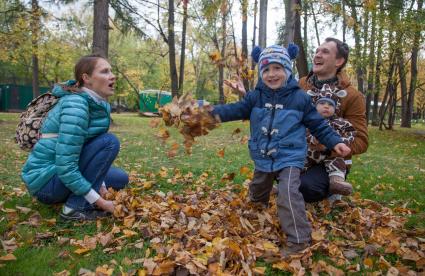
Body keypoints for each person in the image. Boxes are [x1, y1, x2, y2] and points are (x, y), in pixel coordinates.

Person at [207, 45, 351, 256]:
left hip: (290, 156)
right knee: (259, 185)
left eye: (277, 68)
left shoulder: (299, 98)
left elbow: (318, 124)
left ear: (288, 70)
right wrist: (207, 114)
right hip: (264, 153)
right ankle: (257, 208)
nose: (271, 74)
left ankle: (298, 240)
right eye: (266, 70)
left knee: (288, 193)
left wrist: (334, 141)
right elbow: (232, 110)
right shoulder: (255, 96)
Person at [21, 54, 129, 221]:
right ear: (86, 78)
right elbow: (66, 166)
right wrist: (101, 202)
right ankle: (74, 208)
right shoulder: (76, 107)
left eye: (111, 71)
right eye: (105, 71)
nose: (113, 75)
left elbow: (87, 150)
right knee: (109, 142)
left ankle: (77, 193)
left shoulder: (95, 104)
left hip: (60, 175)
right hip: (46, 182)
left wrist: (102, 187)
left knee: (121, 179)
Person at [298, 37, 368, 202]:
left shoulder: (352, 96)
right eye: (317, 51)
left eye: (325, 52)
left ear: (339, 61)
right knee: (272, 166)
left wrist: (329, 146)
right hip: (302, 153)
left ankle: (334, 186)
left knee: (305, 187)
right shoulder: (301, 85)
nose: (317, 55)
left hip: (331, 160)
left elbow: (361, 141)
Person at [304, 84, 356, 196]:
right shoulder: (309, 121)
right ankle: (284, 184)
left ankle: (337, 183)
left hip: (331, 155)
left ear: (336, 108)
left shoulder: (341, 123)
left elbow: (350, 135)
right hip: (310, 154)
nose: (326, 107)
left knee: (337, 162)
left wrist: (338, 143)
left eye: (330, 105)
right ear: (315, 106)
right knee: (296, 162)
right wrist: (313, 140)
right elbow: (303, 134)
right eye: (322, 103)